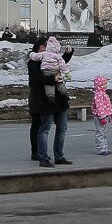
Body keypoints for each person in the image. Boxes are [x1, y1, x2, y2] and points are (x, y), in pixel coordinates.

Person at [29, 37, 71, 166]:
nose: (44, 48)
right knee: (45, 128)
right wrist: (54, 78)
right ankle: (43, 157)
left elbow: (60, 61)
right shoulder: (34, 62)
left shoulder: (51, 57)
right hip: (44, 100)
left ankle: (59, 156)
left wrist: (68, 53)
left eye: (46, 45)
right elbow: (35, 79)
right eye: (42, 46)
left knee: (62, 128)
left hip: (59, 98)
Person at [92, 74, 112, 155]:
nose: (106, 86)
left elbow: (107, 106)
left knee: (103, 132)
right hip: (100, 117)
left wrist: (109, 115)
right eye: (104, 84)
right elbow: (99, 107)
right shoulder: (99, 95)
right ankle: (101, 148)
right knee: (100, 132)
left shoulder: (104, 94)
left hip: (105, 116)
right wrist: (102, 117)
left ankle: (105, 147)